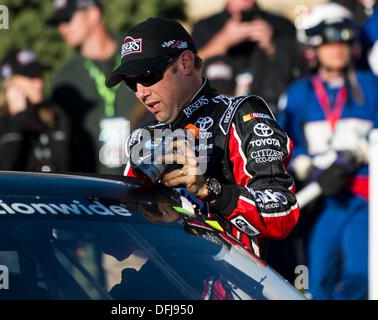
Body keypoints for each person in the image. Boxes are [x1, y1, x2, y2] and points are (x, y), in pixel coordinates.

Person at [105, 17, 300, 257]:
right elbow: (122, 243)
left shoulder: (240, 115)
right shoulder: (144, 138)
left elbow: (282, 213)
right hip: (174, 280)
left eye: (147, 76)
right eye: (131, 83)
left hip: (240, 285)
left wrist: (210, 190)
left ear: (186, 62)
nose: (141, 93)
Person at [278, 3, 378, 299]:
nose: (337, 50)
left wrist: (362, 151)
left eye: (344, 43)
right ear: (314, 49)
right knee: (317, 278)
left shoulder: (371, 87)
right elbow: (285, 144)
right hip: (320, 199)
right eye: (330, 44)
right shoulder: (298, 94)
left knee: (361, 272)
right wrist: (306, 166)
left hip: (361, 196)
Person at [47, 0, 144, 174]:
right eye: (58, 23)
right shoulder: (64, 80)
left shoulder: (137, 54)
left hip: (146, 179)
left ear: (93, 14)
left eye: (68, 19)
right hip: (93, 188)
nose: (62, 28)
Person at [191, 0, 304, 115]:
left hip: (268, 110)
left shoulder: (281, 25)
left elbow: (298, 70)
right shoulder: (204, 26)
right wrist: (222, 41)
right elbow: (190, 67)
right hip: (217, 113)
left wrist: (271, 45)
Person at [0, 48, 76, 173]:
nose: (39, 83)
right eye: (30, 76)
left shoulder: (56, 117)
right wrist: (18, 118)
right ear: (10, 83)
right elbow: (1, 170)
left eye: (39, 75)